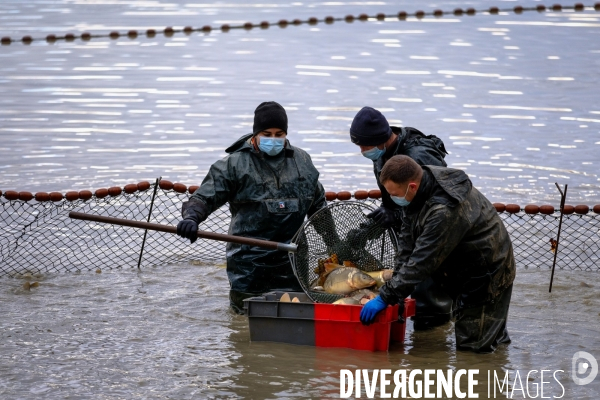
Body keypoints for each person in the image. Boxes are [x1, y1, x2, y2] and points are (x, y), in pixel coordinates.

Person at [176, 101, 331, 314]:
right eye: (267, 133)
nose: (274, 139)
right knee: (245, 320)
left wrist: (334, 242)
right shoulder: (234, 164)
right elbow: (205, 195)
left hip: (293, 261)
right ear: (256, 133)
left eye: (279, 134)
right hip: (249, 264)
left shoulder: (303, 161)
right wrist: (191, 217)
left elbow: (319, 207)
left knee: (295, 315)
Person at [360, 155, 516, 353]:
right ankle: (501, 363)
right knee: (492, 337)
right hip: (462, 267)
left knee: (473, 348)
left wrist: (385, 297)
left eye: (394, 193)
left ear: (412, 186)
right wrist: (396, 292)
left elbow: (421, 261)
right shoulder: (418, 191)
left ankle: (485, 378)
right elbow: (407, 245)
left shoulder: (442, 211)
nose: (392, 198)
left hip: (486, 273)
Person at [349, 106, 452, 329]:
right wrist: (372, 227)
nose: (362, 150)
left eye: (364, 145)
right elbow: (394, 198)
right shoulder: (381, 154)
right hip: (407, 229)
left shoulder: (419, 156)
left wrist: (395, 214)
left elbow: (437, 203)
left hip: (433, 232)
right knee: (406, 285)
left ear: (381, 139)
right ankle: (414, 342)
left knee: (428, 303)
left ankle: (432, 335)